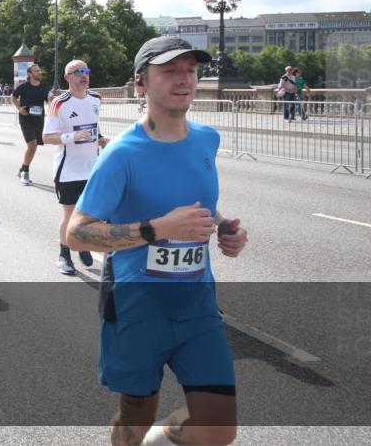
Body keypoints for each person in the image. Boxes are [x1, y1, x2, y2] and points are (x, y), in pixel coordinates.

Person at [66, 36, 249, 446]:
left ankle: (162, 439)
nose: (184, 79)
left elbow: (197, 204)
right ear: (140, 84)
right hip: (136, 307)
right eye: (170, 71)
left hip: (197, 304)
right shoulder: (122, 154)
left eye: (190, 70)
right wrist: (158, 229)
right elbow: (75, 233)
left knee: (219, 426)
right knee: (137, 413)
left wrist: (221, 227)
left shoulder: (206, 139)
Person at [43, 60, 107, 275]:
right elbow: (46, 137)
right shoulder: (59, 103)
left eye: (86, 71)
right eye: (78, 72)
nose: (84, 75)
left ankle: (82, 244)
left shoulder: (96, 98)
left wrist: (101, 138)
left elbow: (93, 123)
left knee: (90, 214)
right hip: (68, 170)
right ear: (67, 77)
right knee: (70, 215)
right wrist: (72, 136)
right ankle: (64, 254)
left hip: (92, 168)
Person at [12, 64, 52, 186]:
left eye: (39, 70)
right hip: (26, 119)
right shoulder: (24, 87)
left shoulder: (45, 87)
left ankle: (22, 168)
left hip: (39, 120)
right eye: (36, 71)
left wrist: (52, 100)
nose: (39, 72)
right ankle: (25, 172)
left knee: (34, 147)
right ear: (30, 74)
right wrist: (19, 108)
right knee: (32, 145)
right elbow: (13, 96)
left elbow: (48, 100)